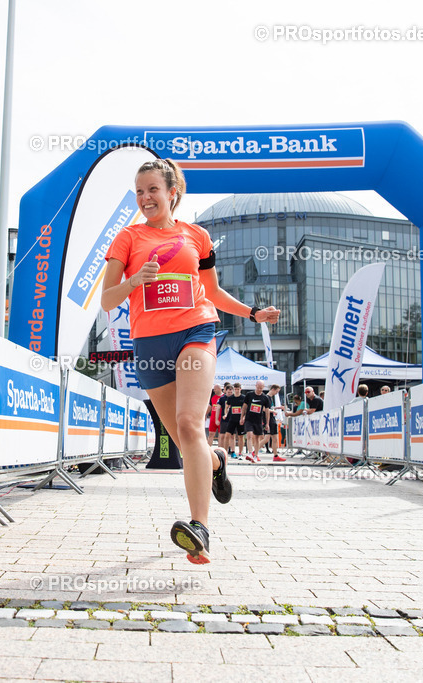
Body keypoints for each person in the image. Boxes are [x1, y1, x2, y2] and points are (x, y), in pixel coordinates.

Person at [101, 158, 280, 564]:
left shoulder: (197, 236)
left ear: (171, 193)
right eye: (139, 191)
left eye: (153, 190)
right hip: (149, 342)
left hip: (195, 332)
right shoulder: (127, 239)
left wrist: (253, 313)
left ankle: (199, 528)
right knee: (187, 444)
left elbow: (212, 292)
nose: (145, 197)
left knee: (188, 423)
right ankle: (216, 460)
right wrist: (134, 281)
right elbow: (108, 299)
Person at [240, 380, 271, 462]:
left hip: (258, 420)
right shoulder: (249, 395)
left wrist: (267, 423)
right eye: (258, 387)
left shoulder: (265, 398)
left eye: (261, 388)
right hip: (249, 419)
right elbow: (244, 407)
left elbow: (267, 411)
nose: (259, 389)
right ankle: (250, 452)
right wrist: (241, 417)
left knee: (257, 438)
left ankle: (256, 455)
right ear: (255, 386)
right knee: (249, 435)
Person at [221, 382, 246, 458]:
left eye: (238, 389)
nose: (236, 391)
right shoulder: (231, 398)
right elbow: (227, 406)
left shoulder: (243, 398)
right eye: (235, 389)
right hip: (232, 419)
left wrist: (243, 417)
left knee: (241, 436)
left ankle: (240, 453)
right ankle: (225, 452)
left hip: (240, 419)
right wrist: (226, 414)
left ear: (240, 389)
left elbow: (246, 408)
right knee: (227, 435)